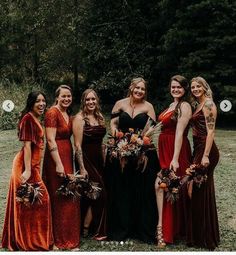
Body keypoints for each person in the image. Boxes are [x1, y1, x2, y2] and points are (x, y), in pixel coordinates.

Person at [104, 77, 159, 243]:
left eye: (142, 89)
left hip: (142, 154)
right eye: (137, 88)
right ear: (131, 88)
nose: (139, 91)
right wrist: (117, 136)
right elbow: (112, 124)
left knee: (142, 190)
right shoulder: (120, 104)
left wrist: (140, 142)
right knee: (122, 189)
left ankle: (141, 229)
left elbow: (151, 130)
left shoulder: (149, 107)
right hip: (121, 152)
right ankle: (122, 227)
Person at [1, 91, 53, 251]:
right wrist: (29, 170)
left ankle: (32, 238)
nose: (42, 104)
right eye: (38, 101)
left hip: (33, 165)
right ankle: (28, 240)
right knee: (40, 200)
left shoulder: (35, 118)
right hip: (25, 166)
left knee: (32, 203)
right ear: (31, 102)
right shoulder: (27, 119)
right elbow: (27, 146)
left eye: (44, 101)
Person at [155, 75, 192, 247]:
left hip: (176, 149)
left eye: (179, 87)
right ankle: (166, 228)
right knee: (165, 185)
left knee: (169, 185)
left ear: (185, 89)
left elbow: (179, 132)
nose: (175, 89)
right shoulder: (171, 105)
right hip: (164, 149)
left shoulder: (184, 106)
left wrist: (175, 158)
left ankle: (169, 230)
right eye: (173, 87)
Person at [42, 85, 80, 250]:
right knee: (58, 195)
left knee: (69, 193)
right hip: (56, 158)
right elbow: (50, 140)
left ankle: (69, 236)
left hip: (67, 154)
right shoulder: (52, 113)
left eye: (69, 96)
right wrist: (58, 163)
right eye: (63, 96)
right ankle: (57, 240)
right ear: (57, 97)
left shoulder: (67, 114)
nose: (66, 99)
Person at [187, 77, 220, 250]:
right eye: (193, 87)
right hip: (198, 148)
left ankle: (205, 238)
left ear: (205, 87)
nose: (195, 89)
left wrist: (205, 155)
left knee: (201, 190)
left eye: (198, 86)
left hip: (206, 151)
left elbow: (211, 131)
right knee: (199, 191)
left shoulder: (208, 104)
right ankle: (200, 234)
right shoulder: (198, 105)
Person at [72, 89, 107, 240]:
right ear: (83, 102)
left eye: (93, 99)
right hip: (85, 158)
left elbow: (100, 143)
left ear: (97, 101)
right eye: (88, 100)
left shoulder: (100, 117)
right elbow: (77, 145)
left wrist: (104, 157)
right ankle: (87, 227)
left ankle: (88, 228)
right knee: (97, 192)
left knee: (93, 194)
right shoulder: (79, 119)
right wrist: (82, 167)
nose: (91, 102)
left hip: (98, 159)